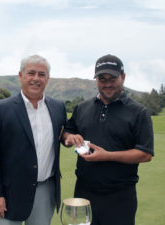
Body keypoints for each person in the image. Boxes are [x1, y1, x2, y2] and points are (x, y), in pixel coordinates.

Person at [63, 54, 154, 225]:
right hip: (84, 193)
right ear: (96, 79)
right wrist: (69, 137)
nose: (107, 84)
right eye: (102, 79)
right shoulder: (82, 108)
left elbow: (145, 154)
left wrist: (107, 155)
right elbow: (66, 132)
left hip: (120, 197)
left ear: (123, 77)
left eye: (112, 78)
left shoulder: (138, 112)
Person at [0, 55, 67, 225]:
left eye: (41, 74)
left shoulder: (58, 107)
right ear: (21, 76)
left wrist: (69, 136)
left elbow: (65, 132)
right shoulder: (0, 109)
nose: (36, 78)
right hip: (9, 193)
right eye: (31, 73)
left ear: (48, 78)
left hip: (45, 190)